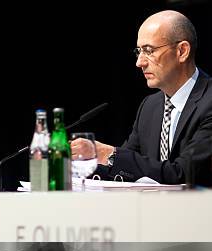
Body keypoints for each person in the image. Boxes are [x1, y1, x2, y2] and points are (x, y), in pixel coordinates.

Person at [71, 10, 212, 185]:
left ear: (182, 51)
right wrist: (76, 168)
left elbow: (183, 173)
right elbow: (128, 168)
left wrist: (108, 153)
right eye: (139, 51)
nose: (140, 62)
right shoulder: (150, 106)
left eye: (149, 51)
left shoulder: (209, 102)